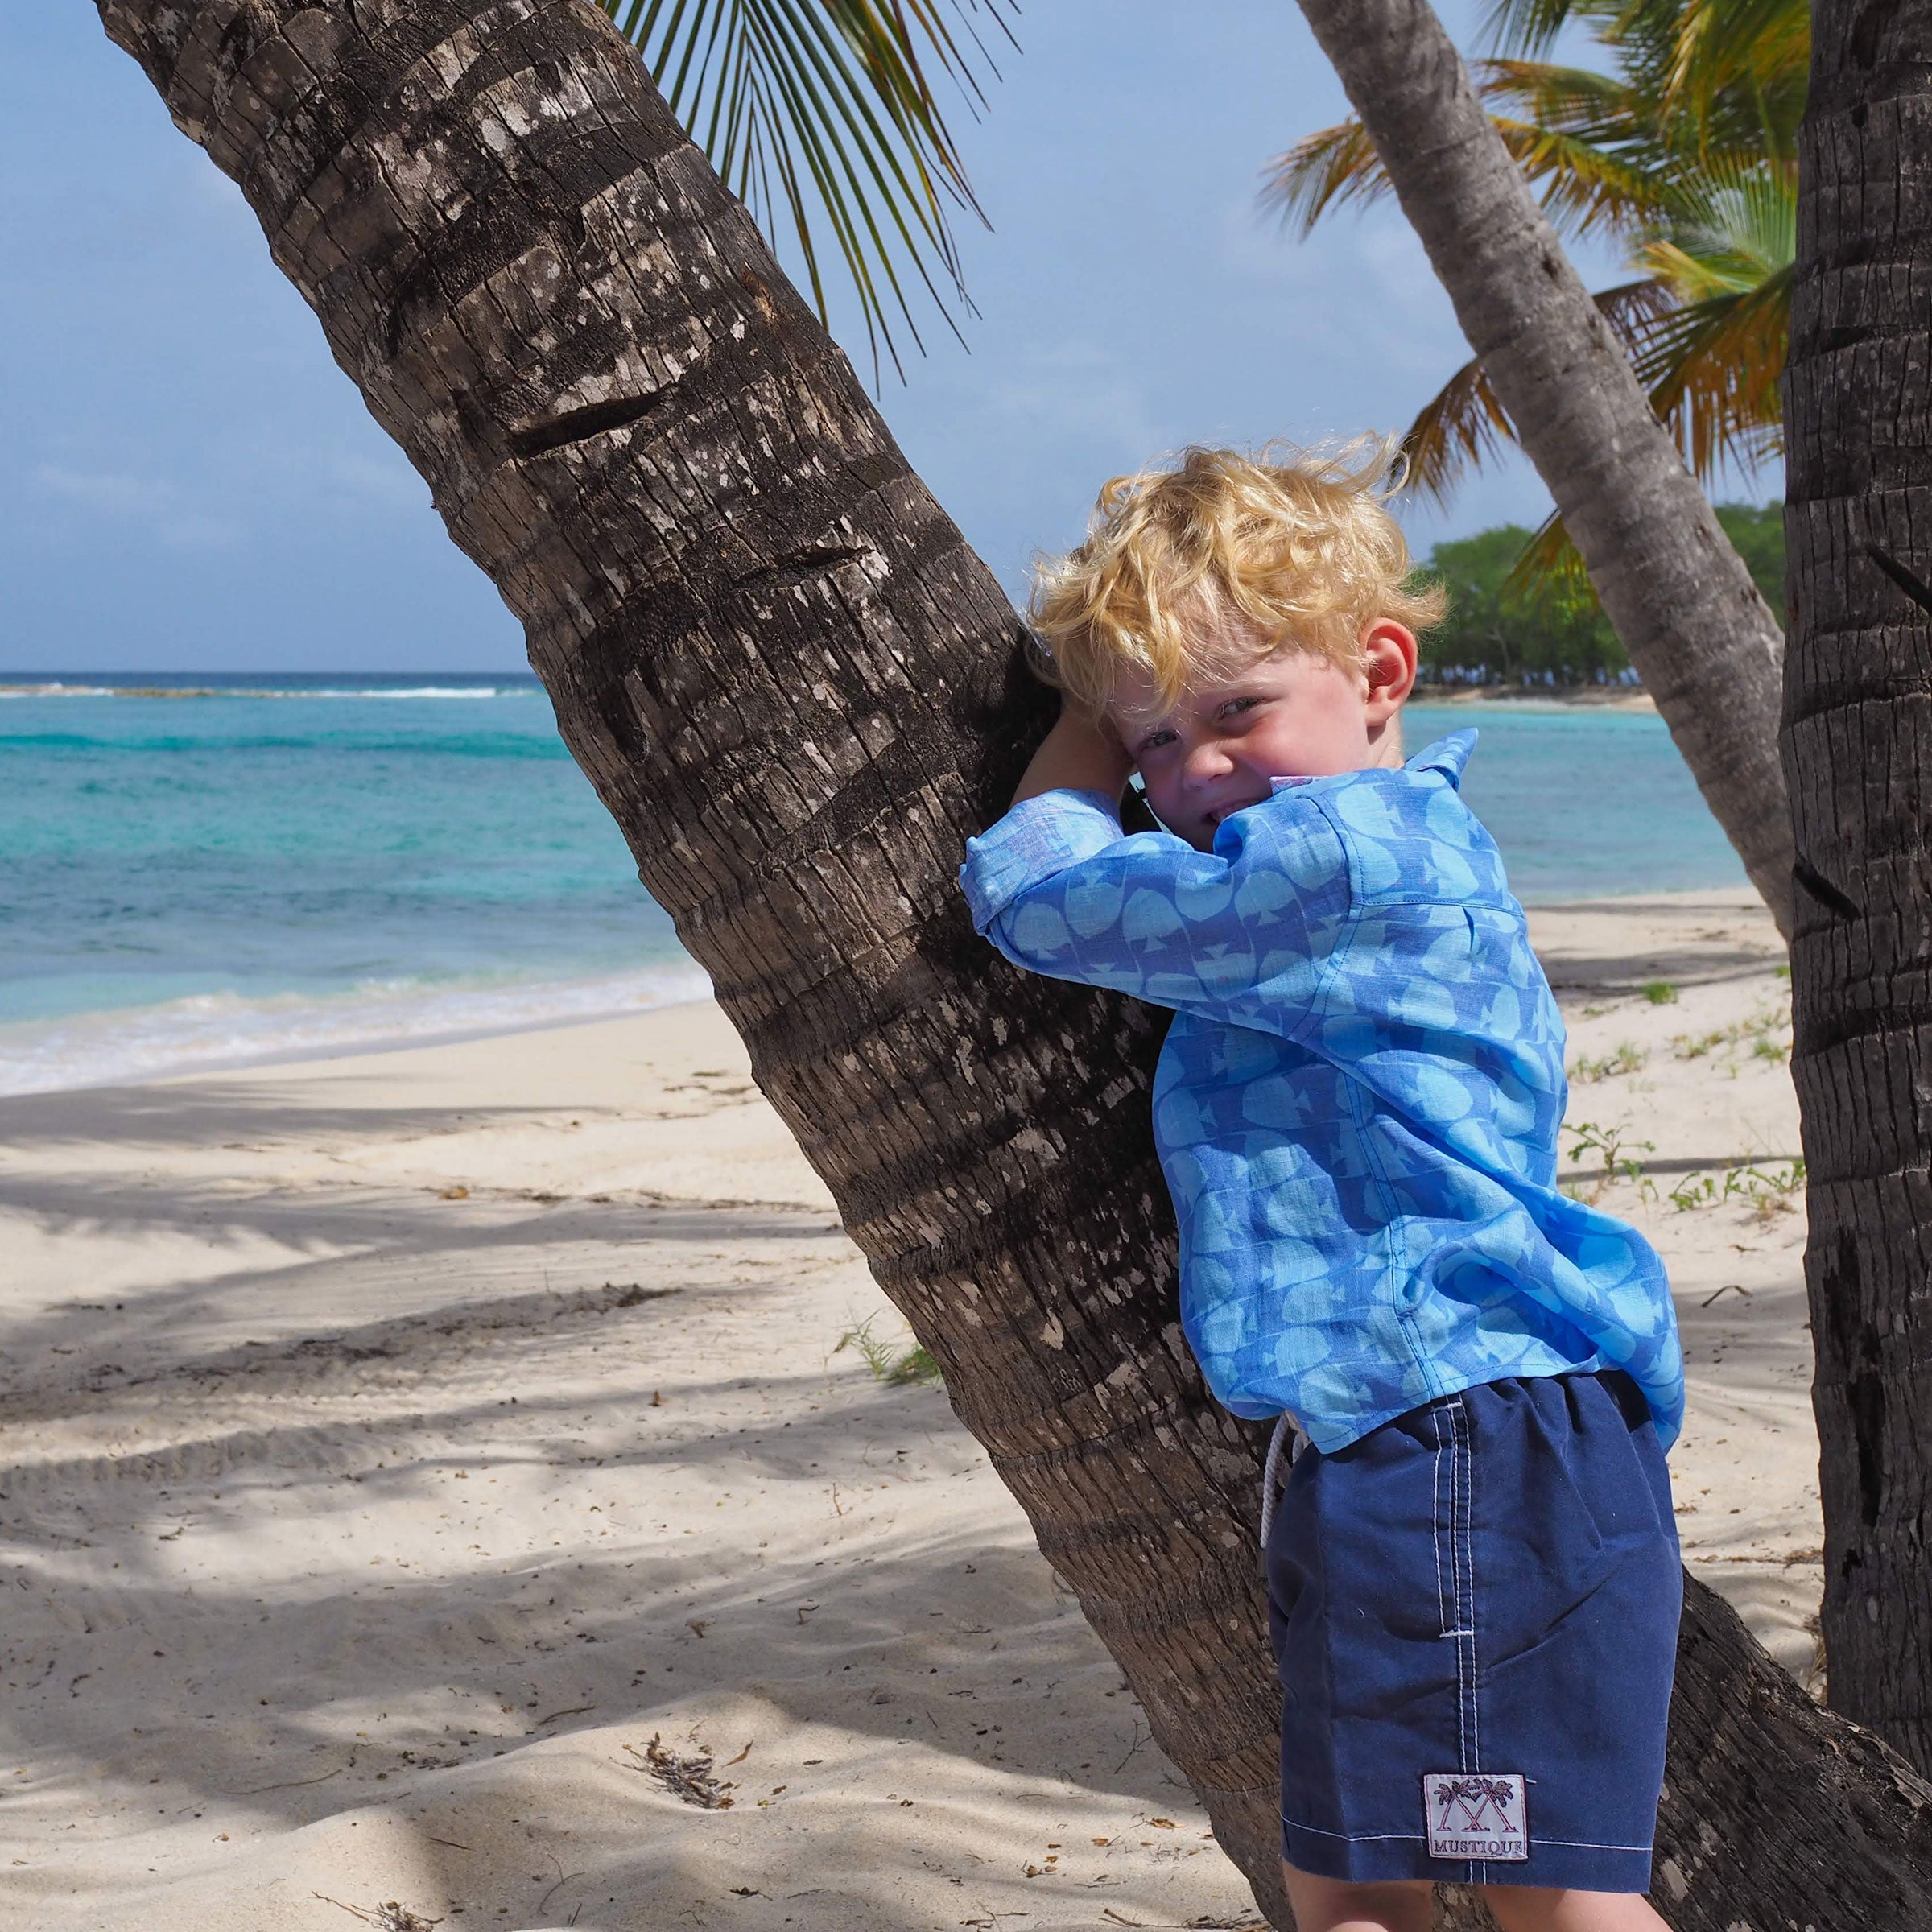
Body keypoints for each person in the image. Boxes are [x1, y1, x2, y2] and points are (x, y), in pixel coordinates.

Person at [957, 444, 1684, 1932]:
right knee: (1362, 1884)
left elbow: (1036, 901)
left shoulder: (1336, 865)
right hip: (1423, 1439)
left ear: (1379, 672)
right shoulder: (1373, 847)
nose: (1192, 772)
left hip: (1459, 1439)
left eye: (1236, 711)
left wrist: (1087, 734)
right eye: (1155, 741)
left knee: (1502, 1909)